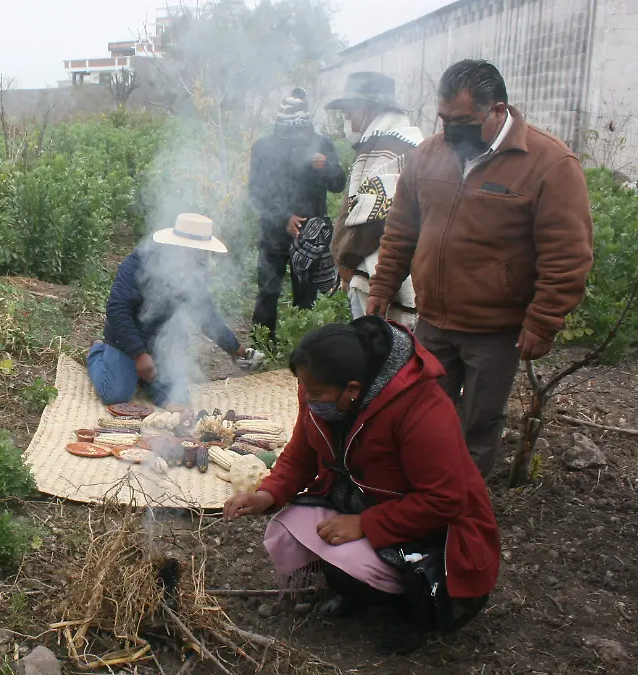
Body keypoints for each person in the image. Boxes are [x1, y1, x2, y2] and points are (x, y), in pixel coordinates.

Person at [366, 60, 594, 476]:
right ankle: (421, 488)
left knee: (479, 422)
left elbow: (567, 254)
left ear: (498, 110)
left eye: (465, 121)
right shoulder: (428, 156)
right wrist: (382, 287)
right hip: (433, 319)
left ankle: (463, 504)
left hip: (495, 328)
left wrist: (543, 321)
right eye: (445, 119)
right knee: (422, 410)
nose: (453, 130)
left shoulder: (549, 163)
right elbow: (401, 230)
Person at [224, 318, 500, 655]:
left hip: (433, 528)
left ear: (353, 389)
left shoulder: (421, 407)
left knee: (349, 568)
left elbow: (446, 499)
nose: (308, 399)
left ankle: (416, 613)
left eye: (316, 393)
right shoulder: (321, 383)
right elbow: (301, 452)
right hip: (360, 499)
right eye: (305, 389)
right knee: (287, 532)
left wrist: (365, 525)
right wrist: (268, 493)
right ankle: (360, 588)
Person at [90, 213, 260, 407]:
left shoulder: (194, 271)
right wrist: (138, 354)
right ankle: (97, 351)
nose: (203, 258)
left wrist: (235, 349)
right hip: (127, 339)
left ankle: (143, 377)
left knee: (176, 400)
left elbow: (206, 316)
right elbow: (117, 309)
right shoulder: (139, 262)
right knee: (115, 395)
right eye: (198, 252)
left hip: (163, 345)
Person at [325, 72, 423, 328]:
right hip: (368, 272)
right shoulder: (375, 143)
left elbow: (377, 218)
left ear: (369, 109)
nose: (346, 117)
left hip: (382, 276)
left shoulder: (394, 145)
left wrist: (346, 258)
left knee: (385, 351)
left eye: (350, 110)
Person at [248, 88, 346, 341]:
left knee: (307, 296)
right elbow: (257, 191)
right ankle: (262, 346)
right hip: (273, 234)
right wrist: (284, 217)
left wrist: (324, 167)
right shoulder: (263, 148)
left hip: (311, 237)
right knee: (268, 292)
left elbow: (338, 183)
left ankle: (305, 350)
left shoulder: (321, 144)